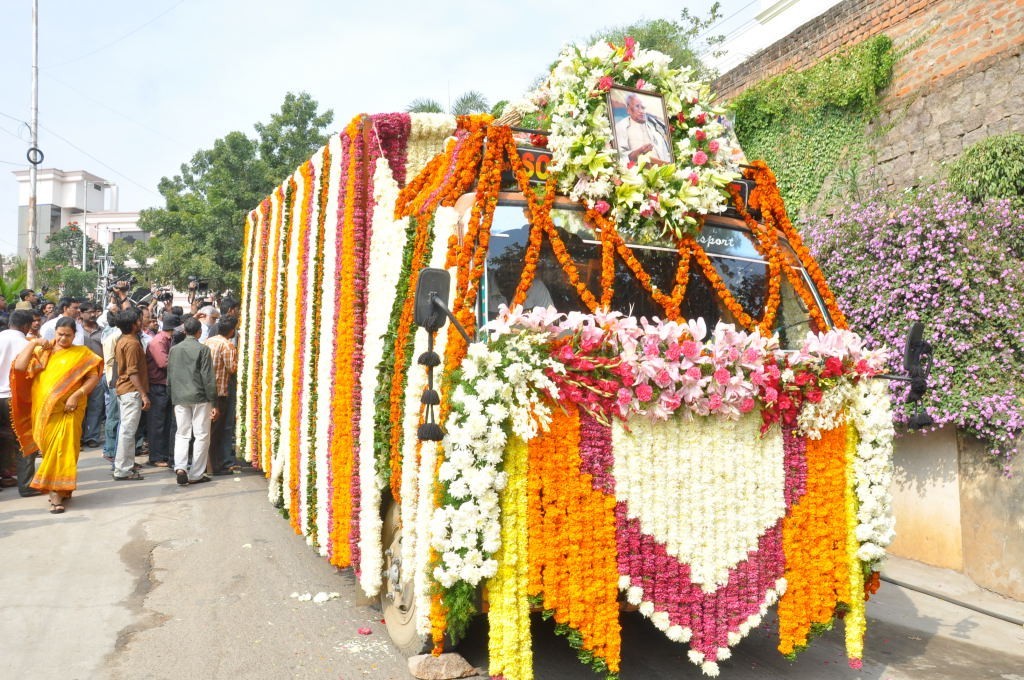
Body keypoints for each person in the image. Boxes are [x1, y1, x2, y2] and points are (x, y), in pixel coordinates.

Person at [10, 317, 102, 513]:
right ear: (55, 332)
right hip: (44, 414)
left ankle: (55, 495)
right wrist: (34, 342)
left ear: (74, 335)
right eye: (60, 334)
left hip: (70, 411)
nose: (63, 339)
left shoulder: (82, 354)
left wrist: (77, 395)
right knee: (51, 450)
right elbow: (19, 366)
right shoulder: (43, 351)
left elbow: (93, 377)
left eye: (68, 335)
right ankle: (61, 487)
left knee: (64, 449)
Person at [168, 317, 217, 485]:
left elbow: (170, 375)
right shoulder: (203, 350)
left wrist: (171, 395)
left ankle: (180, 467)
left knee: (182, 433)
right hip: (200, 397)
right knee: (201, 435)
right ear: (199, 332)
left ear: (184, 331)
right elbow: (208, 377)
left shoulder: (174, 350)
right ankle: (196, 474)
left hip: (180, 397)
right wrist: (214, 401)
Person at [0, 310, 40, 497]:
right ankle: (26, 484)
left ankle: (5, 476)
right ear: (26, 326)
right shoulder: (27, 345)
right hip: (14, 398)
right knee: (23, 440)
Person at [111, 309, 149, 480]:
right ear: (133, 324)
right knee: (127, 431)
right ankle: (122, 469)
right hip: (131, 391)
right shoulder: (132, 343)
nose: (141, 323)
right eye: (139, 321)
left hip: (126, 390)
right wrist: (143, 394)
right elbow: (132, 372)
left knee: (127, 430)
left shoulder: (124, 340)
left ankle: (125, 465)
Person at [205, 316, 239, 474]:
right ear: (232, 331)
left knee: (207, 429)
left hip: (205, 390)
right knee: (217, 431)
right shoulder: (228, 345)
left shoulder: (208, 341)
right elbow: (232, 369)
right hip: (220, 391)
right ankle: (215, 466)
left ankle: (208, 464)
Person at [145, 313, 178, 467]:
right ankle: (156, 456)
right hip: (157, 386)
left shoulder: (168, 340)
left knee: (165, 422)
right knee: (157, 423)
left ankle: (163, 454)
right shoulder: (158, 342)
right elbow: (163, 363)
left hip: (165, 385)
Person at [615, 93, 672, 165]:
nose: (642, 111)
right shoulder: (621, 126)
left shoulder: (655, 126)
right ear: (628, 110)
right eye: (637, 107)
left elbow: (666, 153)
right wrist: (639, 152)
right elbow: (621, 157)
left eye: (643, 107)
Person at [79, 301, 105, 448]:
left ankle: (92, 437)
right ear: (81, 314)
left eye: (95, 311)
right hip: (79, 375)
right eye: (89, 312)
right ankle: (79, 435)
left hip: (98, 373)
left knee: (96, 405)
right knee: (79, 405)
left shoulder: (103, 331)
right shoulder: (76, 331)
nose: (93, 314)